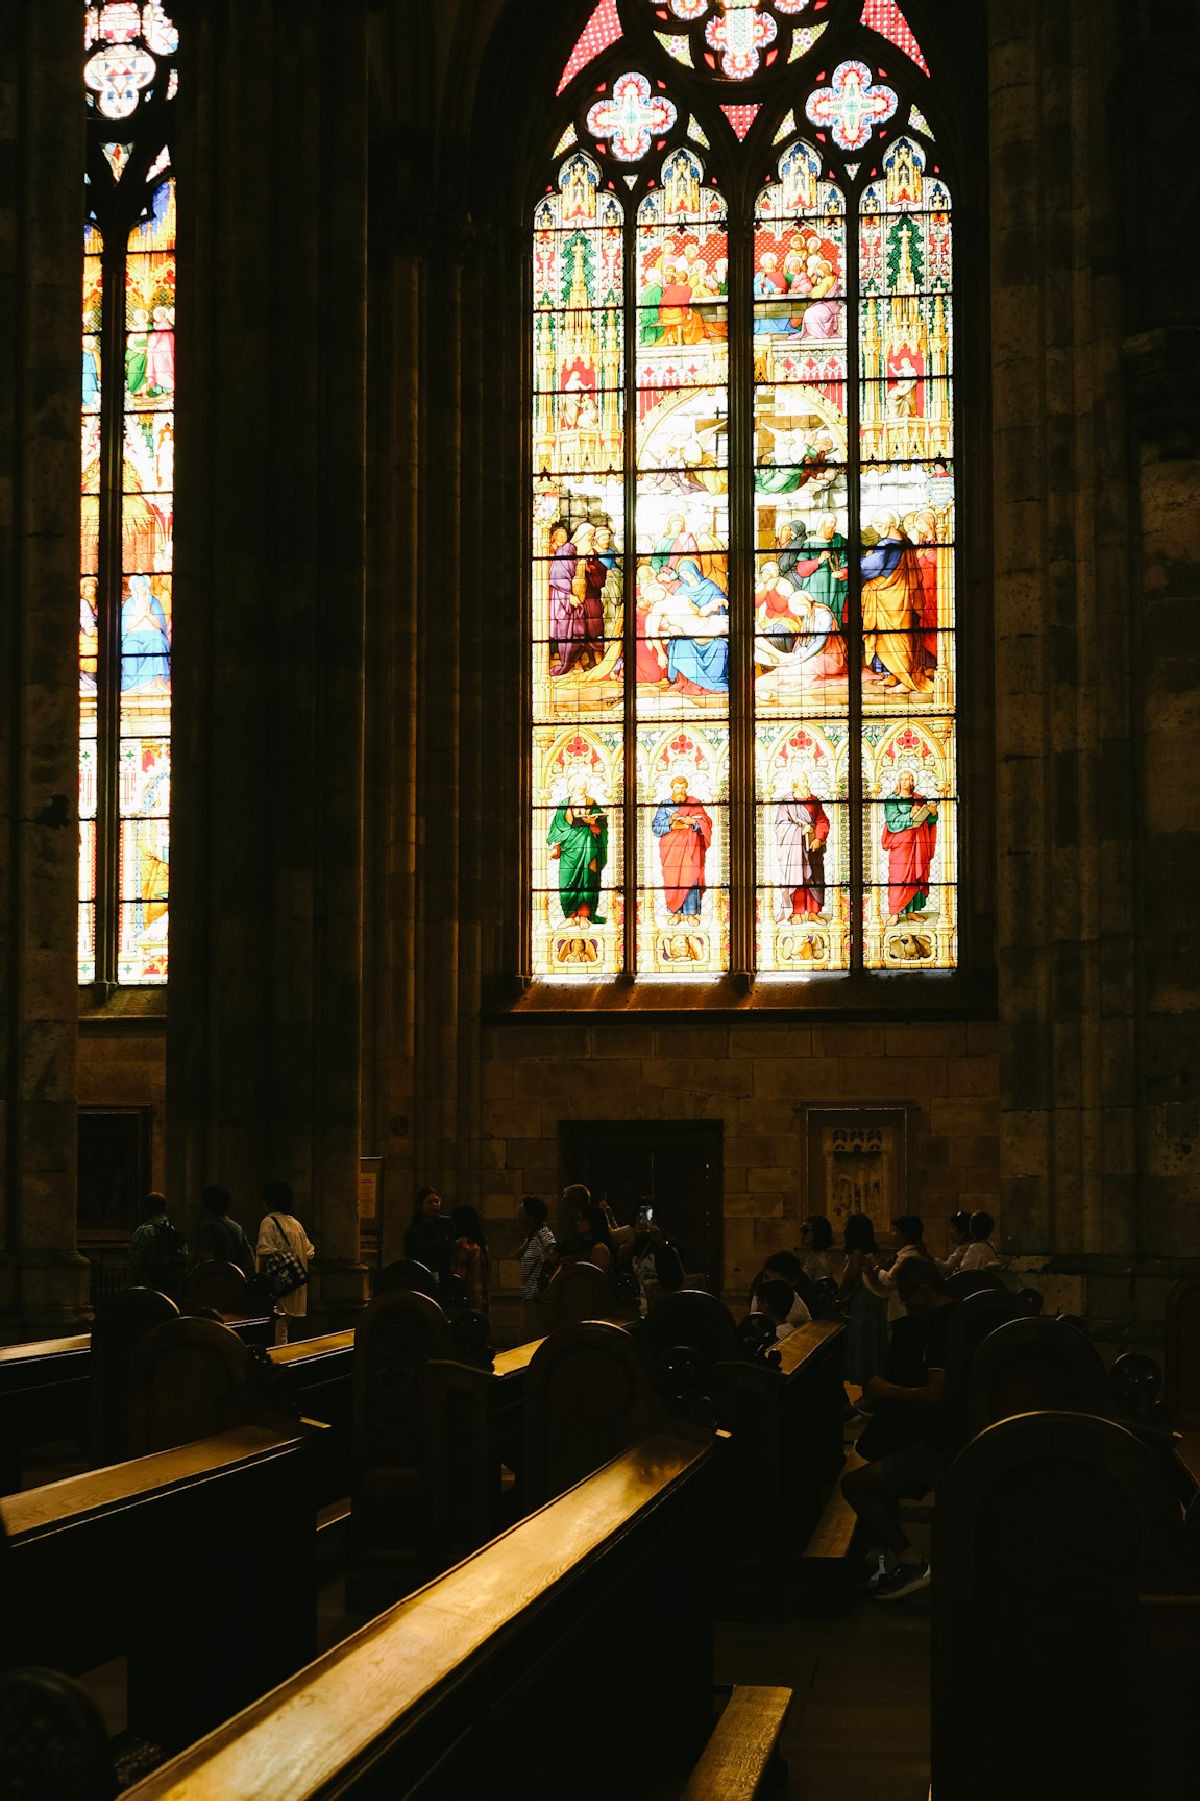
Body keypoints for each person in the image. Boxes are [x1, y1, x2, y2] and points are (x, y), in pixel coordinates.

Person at [841, 1259, 957, 1600]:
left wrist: (883, 1390)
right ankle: (884, 1560)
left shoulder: (941, 1327)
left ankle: (910, 1561)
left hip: (943, 1445)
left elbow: (936, 1396)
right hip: (955, 1435)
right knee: (877, 1456)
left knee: (856, 1484)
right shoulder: (961, 1317)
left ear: (922, 1291)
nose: (906, 1308)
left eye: (907, 1300)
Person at [860, 514, 931, 692]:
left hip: (889, 595)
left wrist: (861, 560)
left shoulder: (886, 545)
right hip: (902, 593)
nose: (877, 527)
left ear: (889, 523)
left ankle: (907, 682)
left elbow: (870, 568)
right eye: (875, 524)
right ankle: (893, 676)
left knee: (895, 636)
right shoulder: (904, 540)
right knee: (894, 635)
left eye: (879, 523)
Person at [255, 1181, 316, 1339]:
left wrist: (259, 1283)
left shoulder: (269, 1222)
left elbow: (264, 1252)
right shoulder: (296, 1224)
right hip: (294, 1283)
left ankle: (279, 1361)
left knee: (276, 1329)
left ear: (270, 1201)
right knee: (283, 1327)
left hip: (277, 1285)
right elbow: (310, 1252)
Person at [838, 1212, 888, 1390]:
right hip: (871, 1303)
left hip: (862, 1305)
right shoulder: (872, 1253)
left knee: (862, 1346)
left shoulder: (857, 1253)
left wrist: (839, 1296)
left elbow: (850, 1278)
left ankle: (868, 1389)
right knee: (872, 1346)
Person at [653, 775, 712, 921]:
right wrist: (670, 820)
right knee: (672, 880)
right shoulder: (664, 805)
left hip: (691, 848)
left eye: (682, 787)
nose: (680, 790)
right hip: (671, 850)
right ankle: (675, 913)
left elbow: (706, 822)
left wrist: (693, 821)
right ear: (672, 788)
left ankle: (691, 914)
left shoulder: (694, 803)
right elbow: (656, 827)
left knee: (691, 878)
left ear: (686, 788)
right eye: (677, 787)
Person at [882, 768, 938, 923]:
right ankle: (894, 913)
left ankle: (911, 912)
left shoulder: (919, 799)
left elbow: (928, 823)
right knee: (898, 878)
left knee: (916, 877)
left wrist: (932, 814)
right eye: (903, 779)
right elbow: (892, 822)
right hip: (901, 846)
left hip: (918, 844)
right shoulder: (892, 800)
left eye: (909, 779)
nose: (906, 782)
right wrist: (910, 814)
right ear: (898, 781)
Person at [546, 785, 607, 924]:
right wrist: (556, 845)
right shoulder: (564, 804)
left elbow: (601, 825)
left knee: (587, 881)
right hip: (568, 848)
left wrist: (592, 823)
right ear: (572, 788)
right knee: (566, 882)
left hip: (588, 846)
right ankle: (570, 917)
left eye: (584, 787)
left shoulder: (591, 802)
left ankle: (584, 916)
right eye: (579, 787)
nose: (582, 790)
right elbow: (558, 826)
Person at [775, 775, 830, 921]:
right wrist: (800, 830)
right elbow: (780, 825)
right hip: (794, 849)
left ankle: (813, 913)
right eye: (803, 781)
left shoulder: (814, 800)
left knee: (815, 878)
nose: (806, 784)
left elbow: (822, 821)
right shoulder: (787, 802)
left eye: (806, 781)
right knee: (797, 876)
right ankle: (797, 912)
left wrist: (818, 838)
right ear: (795, 785)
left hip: (812, 848)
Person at [127, 1191, 188, 1299]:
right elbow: (184, 1258)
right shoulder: (175, 1233)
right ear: (166, 1208)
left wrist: (129, 1285)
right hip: (171, 1287)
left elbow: (136, 1262)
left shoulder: (144, 1231)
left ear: (147, 1209)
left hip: (149, 1286)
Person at [194, 1185, 255, 1278]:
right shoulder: (237, 1228)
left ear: (206, 1206)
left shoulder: (208, 1228)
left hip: (216, 1281)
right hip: (235, 1281)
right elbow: (250, 1262)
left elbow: (207, 1262)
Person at [404, 1185, 456, 1287]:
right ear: (420, 1205)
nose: (434, 1205)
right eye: (430, 1202)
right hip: (424, 1276)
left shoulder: (447, 1224)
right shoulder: (415, 1231)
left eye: (437, 1201)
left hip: (446, 1274)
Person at [517, 1194, 557, 1325]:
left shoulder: (543, 1234)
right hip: (528, 1297)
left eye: (522, 1210)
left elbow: (553, 1255)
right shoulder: (531, 1236)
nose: (519, 1213)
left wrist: (542, 1287)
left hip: (537, 1299)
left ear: (532, 1216)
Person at [750, 1251, 814, 1329]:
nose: (767, 1284)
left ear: (792, 1282)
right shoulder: (759, 1295)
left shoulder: (798, 1311)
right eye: (766, 1278)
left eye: (774, 1281)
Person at [450, 1204, 491, 1312]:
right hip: (481, 1299)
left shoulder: (462, 1244)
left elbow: (458, 1277)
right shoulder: (481, 1244)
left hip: (466, 1301)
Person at [756, 1277, 805, 1343]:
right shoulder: (792, 1332)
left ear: (765, 1305)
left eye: (758, 1304)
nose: (757, 1309)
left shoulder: (773, 1339)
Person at [800, 1215, 839, 1285]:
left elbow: (821, 1291)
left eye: (805, 1230)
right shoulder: (812, 1256)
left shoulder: (821, 1261)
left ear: (817, 1232)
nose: (802, 1234)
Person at [937, 1210, 973, 1275]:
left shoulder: (964, 1249)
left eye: (953, 1228)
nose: (951, 1232)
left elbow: (946, 1269)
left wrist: (928, 1258)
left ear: (963, 1231)